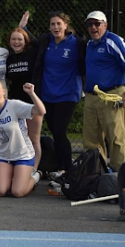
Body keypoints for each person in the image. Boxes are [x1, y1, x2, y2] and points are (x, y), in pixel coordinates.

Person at [31, 11, 86, 179]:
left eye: (59, 24)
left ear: (65, 25)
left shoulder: (77, 44)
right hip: (47, 95)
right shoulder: (45, 43)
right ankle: (60, 167)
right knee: (55, 132)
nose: (56, 27)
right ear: (49, 27)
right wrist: (23, 26)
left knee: (60, 131)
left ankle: (68, 169)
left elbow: (86, 63)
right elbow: (29, 40)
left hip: (68, 94)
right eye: (53, 24)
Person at [0, 79, 45, 197]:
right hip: (4, 155)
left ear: (4, 92)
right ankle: (16, 177)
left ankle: (36, 176)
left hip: (22, 154)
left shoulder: (14, 105)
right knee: (0, 191)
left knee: (18, 192)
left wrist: (31, 93)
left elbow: (41, 111)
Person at [83, 11, 125, 172]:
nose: (93, 27)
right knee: (91, 139)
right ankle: (97, 174)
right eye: (89, 24)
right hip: (91, 97)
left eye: (97, 24)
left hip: (112, 95)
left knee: (116, 138)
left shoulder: (113, 41)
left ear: (105, 25)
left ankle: (119, 176)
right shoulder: (89, 44)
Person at [5, 21, 43, 174]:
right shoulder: (10, 59)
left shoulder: (32, 53)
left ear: (25, 41)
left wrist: (24, 27)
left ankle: (34, 170)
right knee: (19, 138)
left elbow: (40, 43)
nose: (16, 42)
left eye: (20, 39)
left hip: (32, 102)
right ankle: (20, 168)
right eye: (13, 39)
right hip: (15, 104)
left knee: (33, 138)